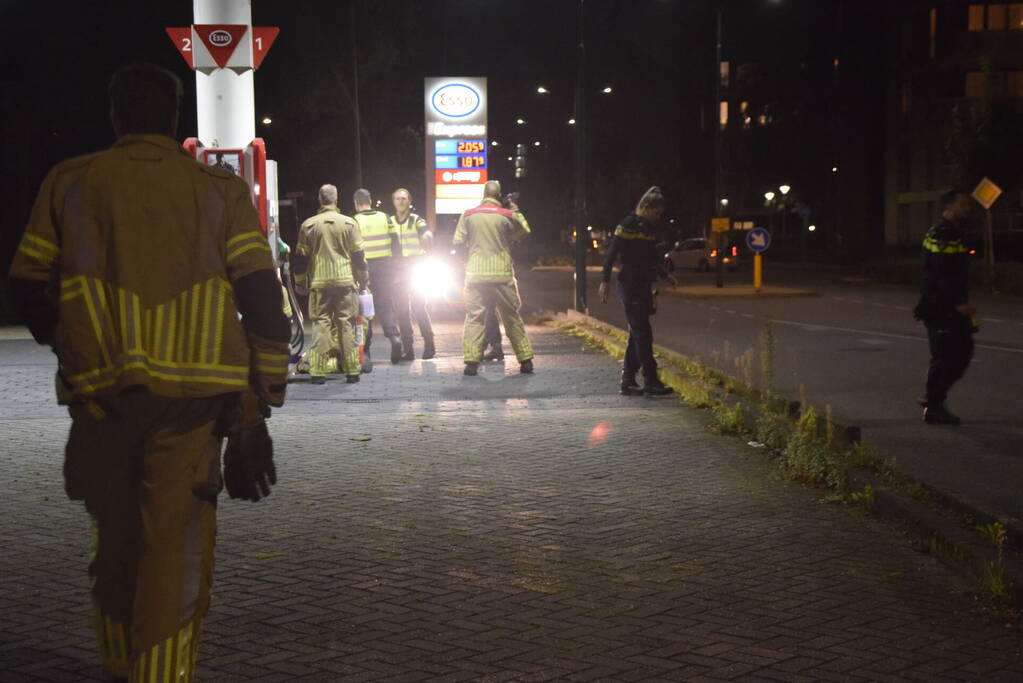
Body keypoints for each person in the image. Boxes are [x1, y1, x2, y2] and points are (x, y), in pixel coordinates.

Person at [7, 63, 290, 682]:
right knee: (173, 551)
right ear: (172, 117)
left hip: (102, 398)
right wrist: (261, 399)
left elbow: (28, 285)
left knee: (114, 545)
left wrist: (71, 343)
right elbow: (263, 298)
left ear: (115, 116)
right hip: (192, 404)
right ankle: (157, 676)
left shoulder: (70, 182)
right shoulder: (215, 191)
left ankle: (118, 665)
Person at [598, 186, 676, 396]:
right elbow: (611, 254)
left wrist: (664, 274)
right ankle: (651, 380)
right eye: (656, 212)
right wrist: (605, 280)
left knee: (637, 332)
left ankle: (628, 380)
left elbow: (652, 256)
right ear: (647, 207)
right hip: (629, 285)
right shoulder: (628, 225)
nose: (658, 217)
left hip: (643, 284)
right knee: (643, 333)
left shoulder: (650, 228)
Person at [454, 180, 534, 376]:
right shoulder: (506, 215)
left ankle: (471, 363)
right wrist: (515, 210)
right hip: (502, 275)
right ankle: (525, 361)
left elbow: (457, 241)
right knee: (512, 317)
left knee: (475, 318)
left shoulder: (468, 214)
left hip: (475, 274)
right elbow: (525, 231)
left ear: (484, 193)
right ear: (499, 195)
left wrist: (469, 255)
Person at [913, 189, 977, 424]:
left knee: (961, 352)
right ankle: (934, 404)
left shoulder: (955, 233)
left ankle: (933, 399)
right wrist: (957, 304)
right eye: (963, 205)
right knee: (945, 356)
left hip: (949, 306)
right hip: (940, 307)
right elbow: (942, 275)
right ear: (949, 207)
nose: (967, 209)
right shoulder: (942, 234)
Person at [294, 184, 368, 385]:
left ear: (320, 200)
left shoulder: (308, 225)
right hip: (345, 282)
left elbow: (300, 259)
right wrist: (363, 280)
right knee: (346, 324)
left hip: (319, 283)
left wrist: (299, 283)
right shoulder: (349, 224)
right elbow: (359, 256)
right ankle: (352, 371)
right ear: (336, 199)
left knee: (321, 324)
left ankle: (317, 371)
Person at [353, 188, 403, 368]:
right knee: (386, 304)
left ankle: (365, 352)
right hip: (385, 267)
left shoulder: (355, 221)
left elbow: (354, 249)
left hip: (365, 269)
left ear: (357, 204)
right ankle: (394, 336)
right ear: (370, 201)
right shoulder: (385, 217)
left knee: (365, 309)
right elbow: (396, 244)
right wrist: (397, 268)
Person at [389, 188, 436, 360]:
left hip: (416, 267)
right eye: (397, 198)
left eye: (403, 198)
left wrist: (427, 238)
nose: (400, 201)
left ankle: (429, 344)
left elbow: (425, 233)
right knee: (401, 310)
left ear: (409, 201)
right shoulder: (390, 221)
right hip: (399, 270)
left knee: (418, 307)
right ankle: (408, 349)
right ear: (393, 202)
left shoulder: (416, 220)